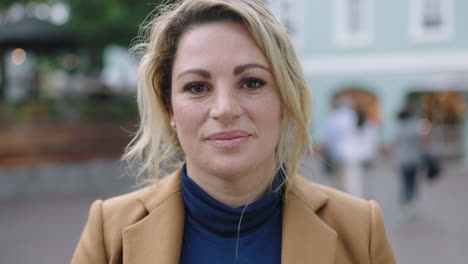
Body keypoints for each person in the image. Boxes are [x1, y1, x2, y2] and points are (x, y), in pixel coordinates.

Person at [72, 0, 396, 263]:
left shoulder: (359, 229)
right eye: (197, 87)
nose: (225, 109)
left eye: (252, 82)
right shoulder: (109, 233)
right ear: (169, 107)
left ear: (284, 99)